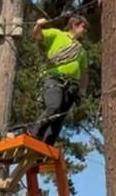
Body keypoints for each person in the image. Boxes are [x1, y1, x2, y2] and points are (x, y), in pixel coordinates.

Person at [30, 14, 89, 146]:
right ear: (74, 25)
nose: (85, 31)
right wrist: (38, 25)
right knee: (54, 108)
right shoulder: (57, 34)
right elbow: (37, 35)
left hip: (71, 87)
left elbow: (84, 72)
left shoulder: (81, 51)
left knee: (59, 119)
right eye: (83, 27)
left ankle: (47, 146)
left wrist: (82, 90)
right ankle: (34, 133)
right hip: (54, 79)